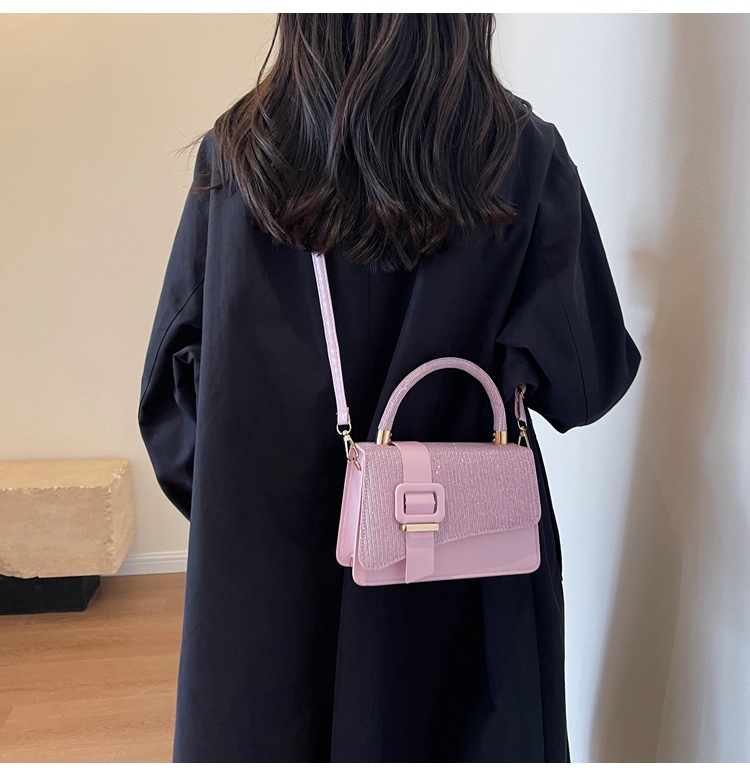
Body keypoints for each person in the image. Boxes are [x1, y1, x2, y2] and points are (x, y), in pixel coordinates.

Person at [137, 13, 641, 763]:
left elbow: (171, 406)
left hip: (268, 594)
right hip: (464, 587)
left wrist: (255, 506)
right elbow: (584, 383)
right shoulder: (522, 156)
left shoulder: (240, 158)